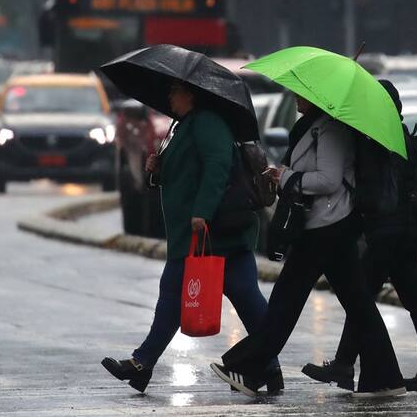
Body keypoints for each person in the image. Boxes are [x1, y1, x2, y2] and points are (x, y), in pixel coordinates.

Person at [211, 93, 406, 398]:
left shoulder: (329, 129)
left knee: (286, 302)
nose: (296, 98)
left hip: (325, 227)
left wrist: (287, 176)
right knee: (357, 304)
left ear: (316, 97)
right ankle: (385, 378)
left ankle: (250, 369)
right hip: (328, 226)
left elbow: (328, 180)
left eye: (300, 94)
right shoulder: (315, 126)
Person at [102, 80, 282, 393]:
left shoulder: (207, 123)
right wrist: (158, 168)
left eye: (175, 91)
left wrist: (203, 211)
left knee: (179, 291)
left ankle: (142, 363)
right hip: (207, 232)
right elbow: (188, 168)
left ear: (191, 95)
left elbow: (217, 165)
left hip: (209, 229)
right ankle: (270, 368)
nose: (170, 96)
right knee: (241, 296)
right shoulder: (185, 124)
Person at [303, 80, 417, 392]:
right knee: (415, 300)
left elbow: (374, 194)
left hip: (385, 232)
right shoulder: (402, 137)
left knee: (361, 298)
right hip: (407, 231)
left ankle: (344, 365)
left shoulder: (374, 141)